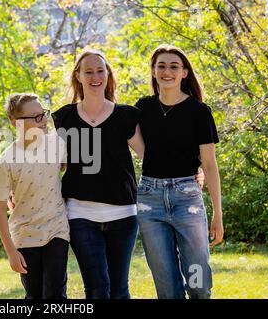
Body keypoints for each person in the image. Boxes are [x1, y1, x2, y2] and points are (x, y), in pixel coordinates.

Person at [51, 50, 145, 299]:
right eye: (89, 71)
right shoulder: (64, 117)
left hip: (123, 215)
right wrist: (19, 188)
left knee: (119, 288)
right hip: (80, 214)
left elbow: (151, 157)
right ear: (78, 76)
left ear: (108, 74)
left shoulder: (126, 115)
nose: (95, 76)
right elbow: (54, 165)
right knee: (97, 287)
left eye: (100, 70)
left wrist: (193, 170)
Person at [134, 44, 224, 299]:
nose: (167, 71)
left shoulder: (199, 112)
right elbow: (129, 144)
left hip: (188, 202)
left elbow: (209, 165)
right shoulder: (142, 108)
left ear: (184, 72)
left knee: (199, 282)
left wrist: (217, 214)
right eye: (161, 66)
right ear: (153, 71)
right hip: (150, 203)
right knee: (167, 288)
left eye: (174, 66)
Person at [0, 93, 69, 299]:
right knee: (34, 294)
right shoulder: (7, 160)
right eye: (36, 117)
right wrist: (11, 251)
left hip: (56, 229)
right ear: (16, 123)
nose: (43, 121)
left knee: (55, 294)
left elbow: (74, 170)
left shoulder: (57, 145)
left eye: (43, 114)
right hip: (24, 236)